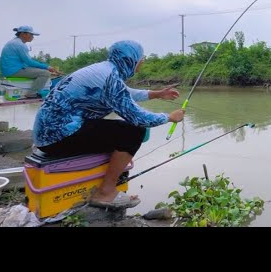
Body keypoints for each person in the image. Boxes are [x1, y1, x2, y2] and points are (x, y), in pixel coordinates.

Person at [32, 40, 185, 209]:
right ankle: (105, 192)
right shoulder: (109, 78)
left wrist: (156, 94)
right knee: (133, 131)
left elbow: (124, 93)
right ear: (131, 60)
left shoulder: (103, 70)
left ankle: (105, 181)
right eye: (141, 59)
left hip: (48, 134)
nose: (142, 62)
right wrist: (169, 117)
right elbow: (139, 118)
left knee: (119, 129)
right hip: (57, 138)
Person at [0, 25, 59, 98]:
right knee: (45, 73)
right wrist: (47, 67)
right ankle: (32, 93)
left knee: (41, 71)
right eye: (31, 34)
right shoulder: (20, 45)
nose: (33, 37)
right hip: (14, 71)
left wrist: (42, 67)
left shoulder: (14, 42)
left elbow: (26, 63)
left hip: (10, 70)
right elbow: (29, 62)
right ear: (23, 34)